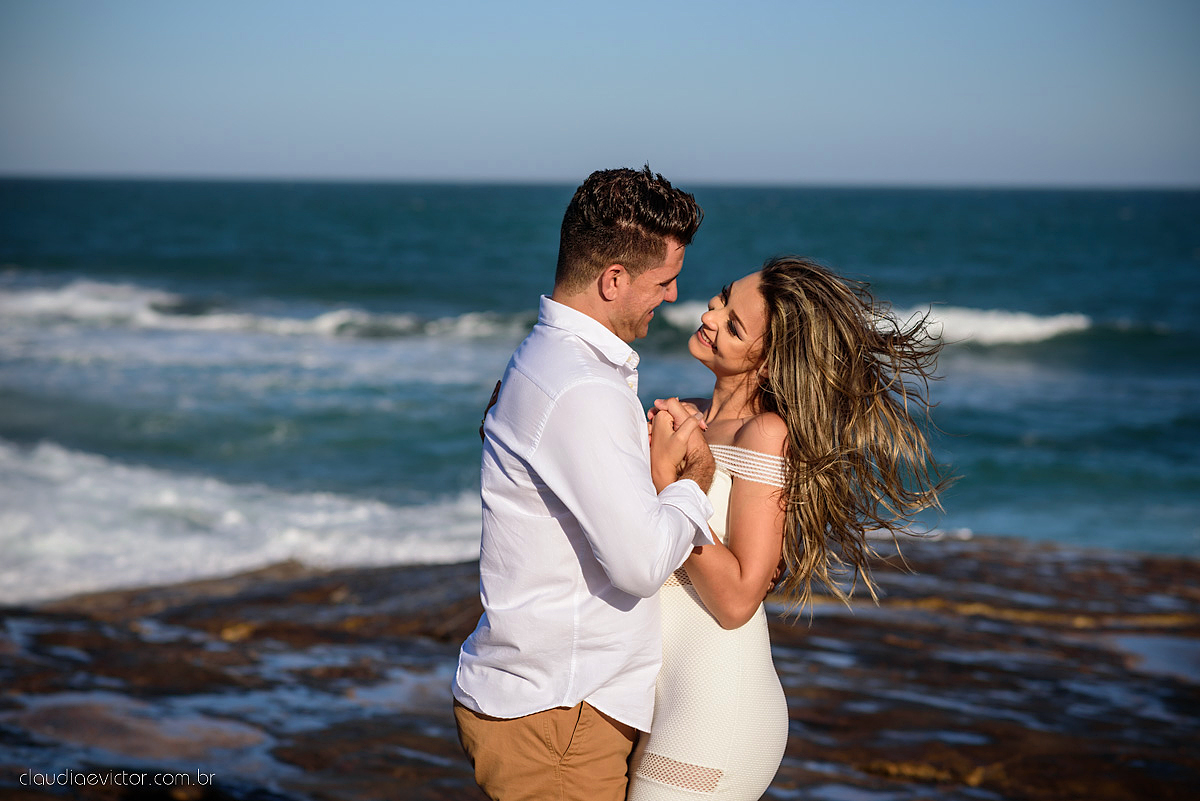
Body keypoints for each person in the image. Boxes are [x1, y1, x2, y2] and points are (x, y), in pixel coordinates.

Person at [627, 256, 949, 800]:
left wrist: (666, 485)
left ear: (771, 362)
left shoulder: (765, 433)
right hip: (661, 697)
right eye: (723, 298)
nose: (711, 313)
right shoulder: (688, 415)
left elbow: (738, 599)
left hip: (716, 706)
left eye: (733, 324)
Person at [453, 166, 717, 801]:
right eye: (663, 280)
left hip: (547, 706)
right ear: (614, 279)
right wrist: (692, 482)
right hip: (560, 720)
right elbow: (637, 564)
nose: (675, 296)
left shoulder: (547, 359)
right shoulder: (583, 387)